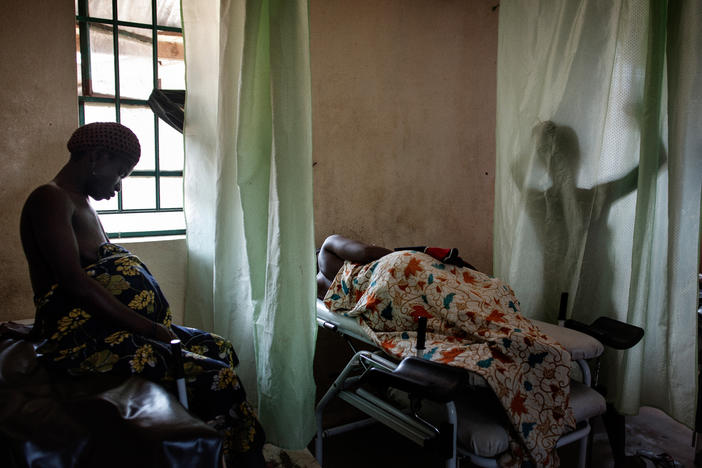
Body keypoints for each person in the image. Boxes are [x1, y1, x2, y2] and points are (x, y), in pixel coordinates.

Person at [20, 122, 264, 466]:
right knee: (217, 377)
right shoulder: (50, 198)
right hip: (81, 338)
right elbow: (75, 282)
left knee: (220, 348)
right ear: (97, 157)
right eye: (119, 173)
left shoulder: (82, 203)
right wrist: (149, 328)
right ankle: (240, 460)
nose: (118, 186)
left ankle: (217, 446)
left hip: (112, 330)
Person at [316, 234, 574, 468]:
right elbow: (370, 253)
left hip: (391, 291)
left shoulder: (329, 291)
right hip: (399, 272)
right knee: (469, 307)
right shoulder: (329, 248)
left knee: (451, 316)